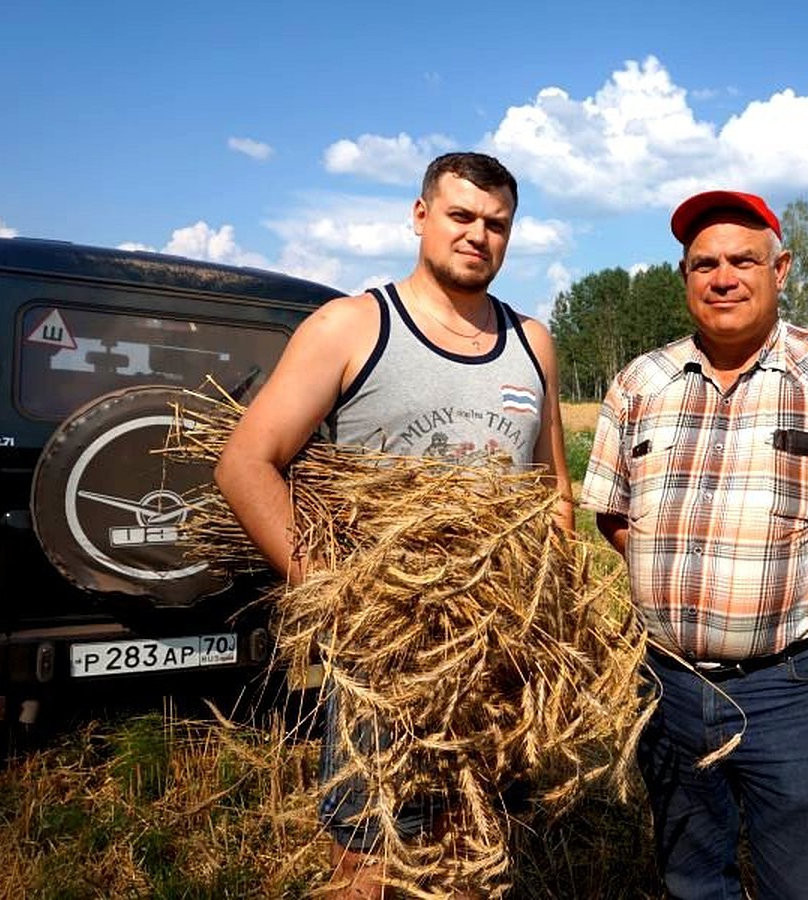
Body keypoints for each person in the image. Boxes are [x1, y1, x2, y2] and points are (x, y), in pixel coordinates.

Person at [214, 151, 573, 899]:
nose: (478, 235)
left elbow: (552, 492)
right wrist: (342, 598)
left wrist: (552, 618)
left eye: (496, 224)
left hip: (495, 658)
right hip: (386, 664)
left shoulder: (532, 342)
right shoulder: (351, 326)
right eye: (461, 216)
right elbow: (245, 464)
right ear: (420, 216)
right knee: (370, 856)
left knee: (473, 846)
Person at [579, 190, 808, 900]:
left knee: (798, 881)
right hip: (671, 685)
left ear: (782, 269)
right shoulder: (641, 383)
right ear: (685, 279)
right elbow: (613, 514)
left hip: (793, 691)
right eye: (704, 263)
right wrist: (683, 589)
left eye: (743, 259)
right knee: (691, 877)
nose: (723, 277)